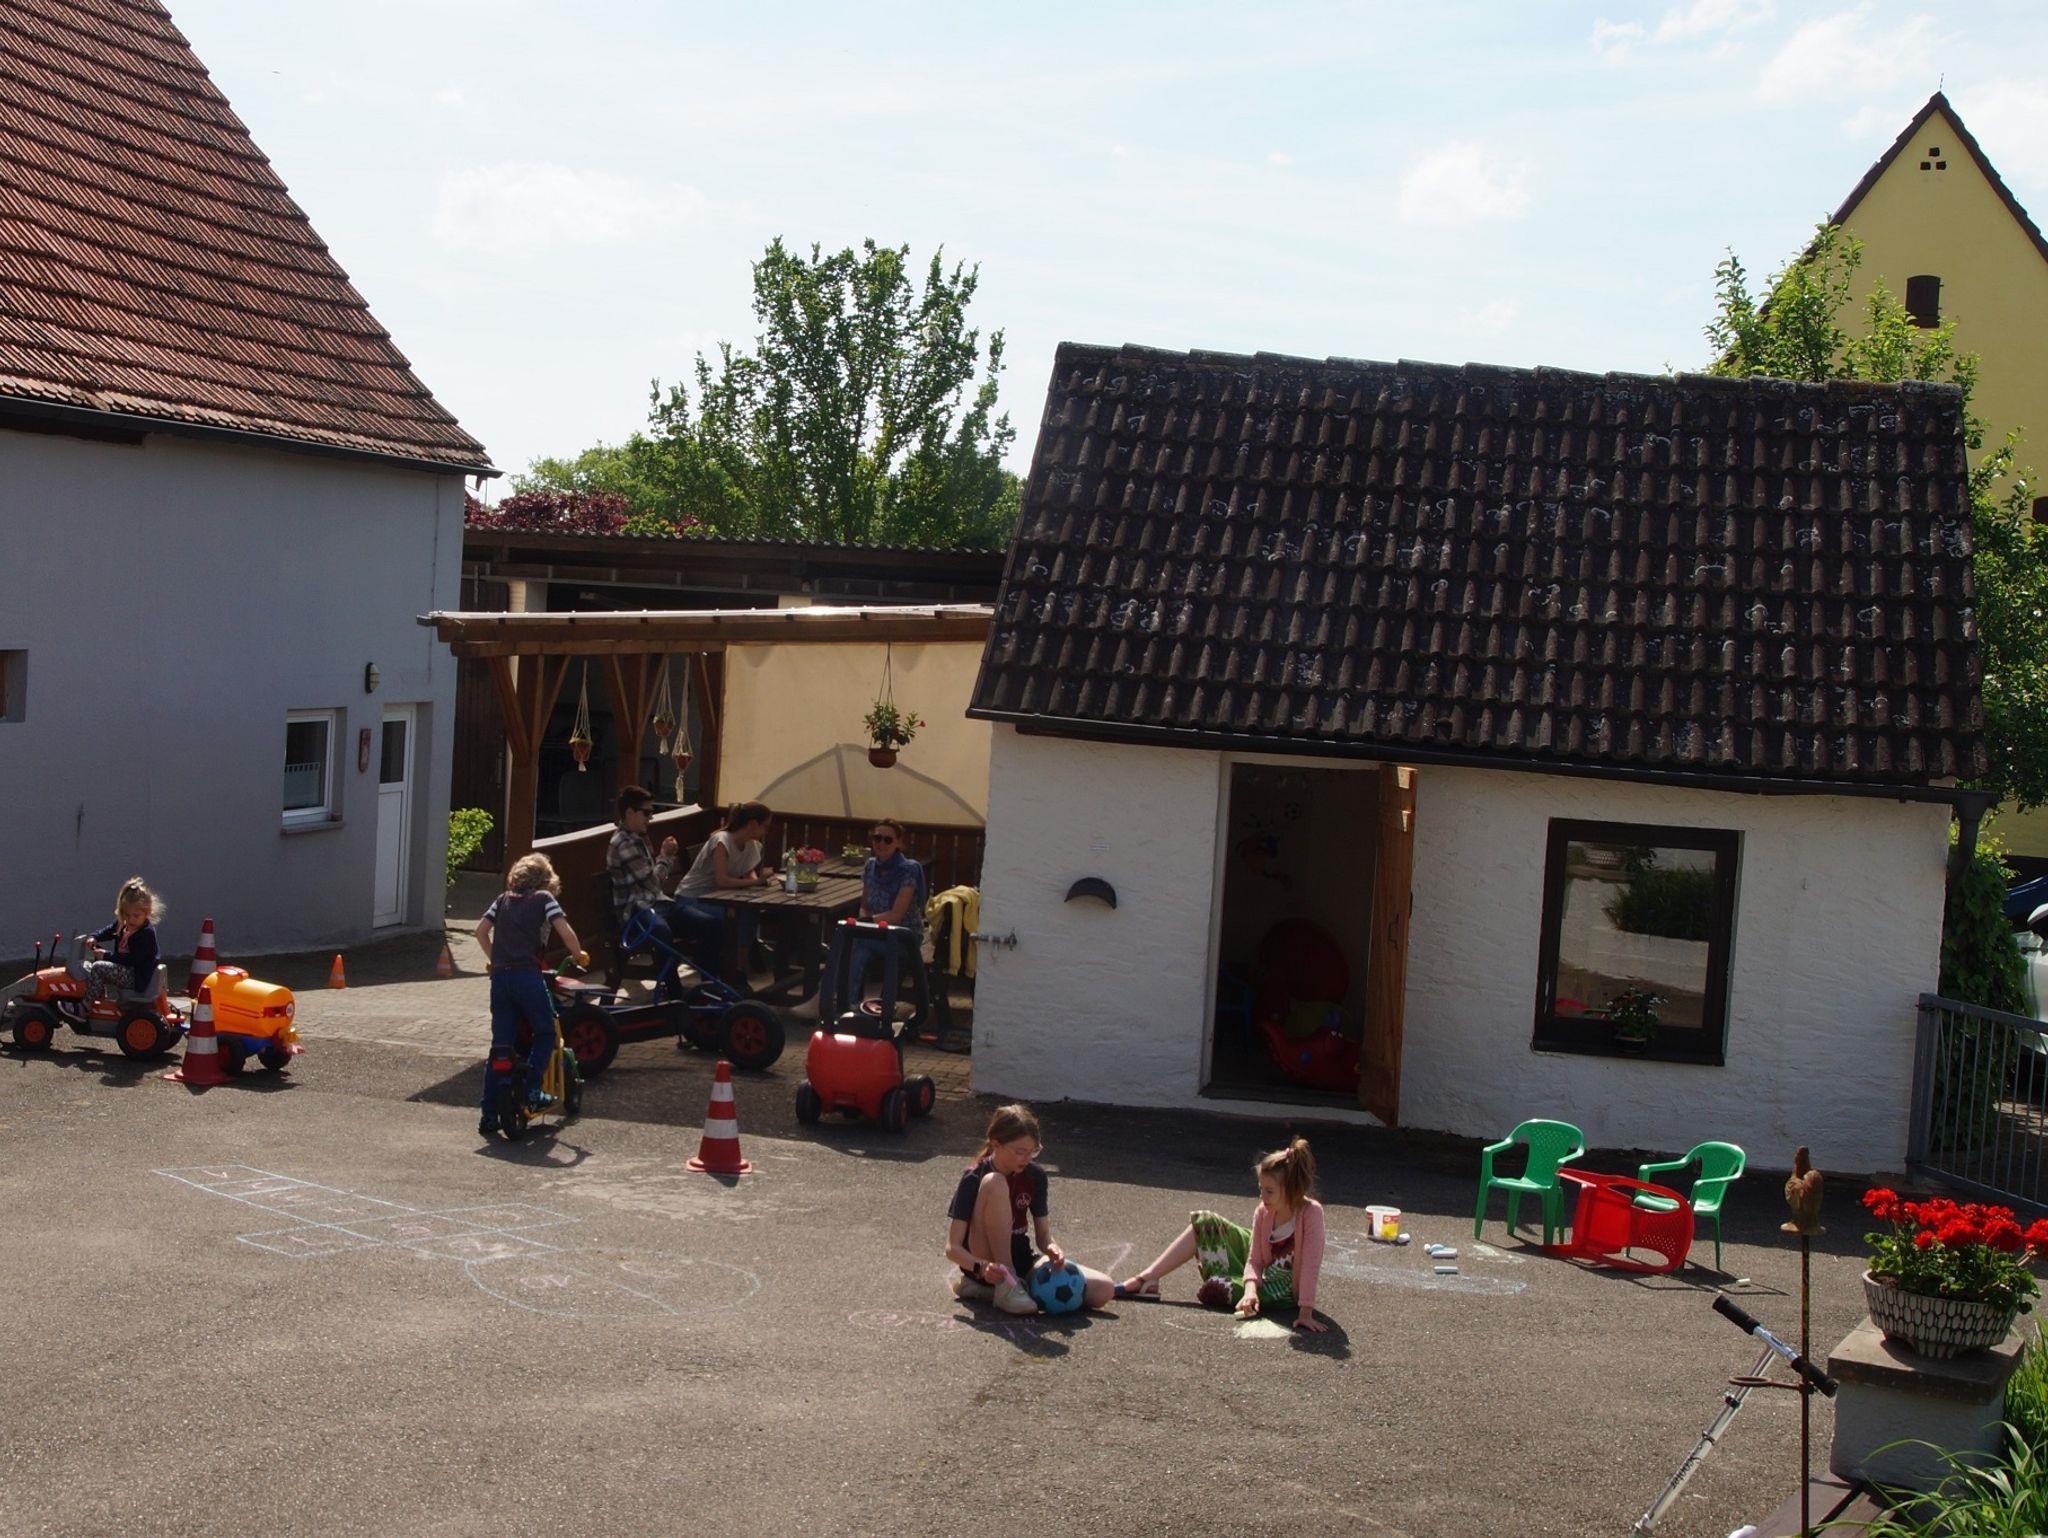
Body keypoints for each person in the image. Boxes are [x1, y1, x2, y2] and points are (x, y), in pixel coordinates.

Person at [1116, 1136, 1329, 1332]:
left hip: (1283, 1286)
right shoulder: (1264, 1210)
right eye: (1261, 1188)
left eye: (1269, 1191)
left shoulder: (1310, 1213)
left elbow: (1310, 1266)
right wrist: (1250, 1291)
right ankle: (1147, 1278)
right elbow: (1255, 1259)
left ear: (1291, 1189)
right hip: (1263, 1271)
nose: (1262, 1196)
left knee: (1218, 1288)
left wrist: (1305, 1312)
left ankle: (1232, 1282)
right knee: (1205, 1222)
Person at [945, 1103, 1115, 1316]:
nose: (1026, 1159)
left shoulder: (1035, 1176)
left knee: (1103, 1289)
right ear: (996, 1144)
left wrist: (1053, 1248)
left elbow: (1043, 1237)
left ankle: (993, 1291)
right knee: (995, 1182)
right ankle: (1005, 1286)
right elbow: (952, 1249)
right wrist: (981, 1267)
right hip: (986, 1264)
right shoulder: (975, 1176)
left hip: (1023, 1260)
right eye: (1020, 1152)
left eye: (1033, 1152)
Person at [474, 852, 585, 1136]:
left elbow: (480, 931)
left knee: (501, 1045)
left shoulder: (502, 900)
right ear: (546, 880)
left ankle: (488, 1114)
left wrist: (496, 958)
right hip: (527, 976)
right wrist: (578, 954)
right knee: (545, 1032)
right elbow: (565, 931)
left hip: (500, 979)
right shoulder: (544, 899)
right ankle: (533, 1090)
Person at [671, 801, 776, 972]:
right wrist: (756, 882)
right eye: (765, 826)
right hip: (692, 899)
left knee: (750, 912)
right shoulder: (722, 841)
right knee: (737, 918)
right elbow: (722, 880)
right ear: (752, 824)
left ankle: (739, 967)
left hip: (718, 899)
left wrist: (761, 882)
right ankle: (734, 969)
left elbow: (749, 875)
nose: (767, 831)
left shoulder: (752, 845)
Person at [606, 784, 687, 979]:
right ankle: (674, 990)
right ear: (630, 813)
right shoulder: (623, 843)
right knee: (662, 932)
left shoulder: (640, 837)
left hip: (656, 903)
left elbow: (653, 885)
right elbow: (654, 883)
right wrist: (666, 856)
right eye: (647, 812)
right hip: (636, 911)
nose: (651, 817)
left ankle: (711, 987)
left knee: (709, 923)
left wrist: (663, 859)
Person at [852, 817, 925, 996]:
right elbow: (865, 906)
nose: (881, 843)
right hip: (876, 933)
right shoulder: (870, 866)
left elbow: (895, 916)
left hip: (904, 937)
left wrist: (865, 923)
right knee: (853, 943)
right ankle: (846, 1001)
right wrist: (864, 923)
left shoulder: (908, 870)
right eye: (877, 838)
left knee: (854, 942)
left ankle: (840, 999)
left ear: (899, 843)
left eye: (888, 840)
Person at [84, 876, 161, 1002]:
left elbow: (133, 959)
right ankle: (99, 996)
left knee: (98, 967)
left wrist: (107, 956)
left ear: (147, 913)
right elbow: (109, 930)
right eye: (127, 915)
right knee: (93, 959)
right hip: (124, 968)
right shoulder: (124, 924)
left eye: (136, 916)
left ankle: (87, 1004)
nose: (130, 919)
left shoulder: (146, 934)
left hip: (135, 976)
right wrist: (95, 937)